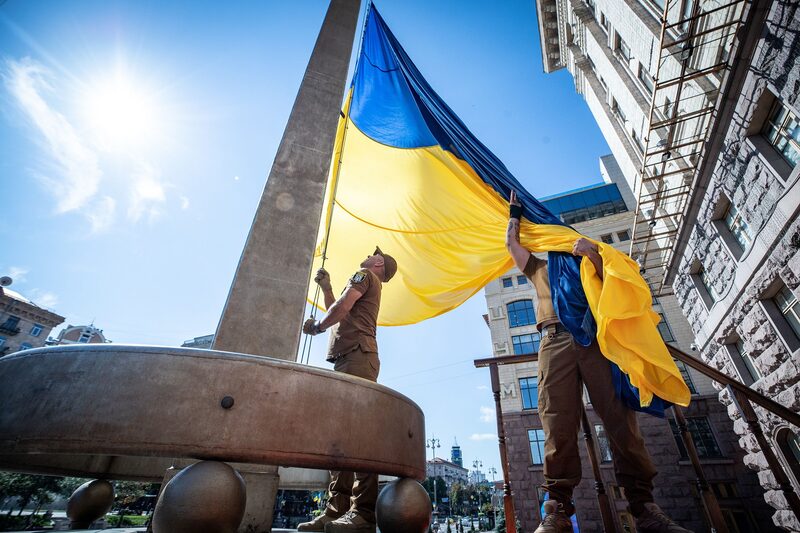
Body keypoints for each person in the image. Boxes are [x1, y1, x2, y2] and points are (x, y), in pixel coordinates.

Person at [505, 191, 693, 533]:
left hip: (593, 341)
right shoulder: (539, 268)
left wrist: (591, 253)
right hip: (553, 341)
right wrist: (514, 211)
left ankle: (645, 508)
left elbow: (616, 289)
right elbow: (512, 245)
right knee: (557, 421)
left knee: (619, 417)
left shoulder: (589, 262)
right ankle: (557, 509)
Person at [297, 247, 398, 533]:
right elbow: (341, 310)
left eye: (372, 253)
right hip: (350, 357)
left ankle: (363, 513)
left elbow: (341, 306)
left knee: (359, 434)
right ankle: (336, 511)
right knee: (341, 437)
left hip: (356, 355)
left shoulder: (364, 274)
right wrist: (327, 287)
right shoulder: (366, 280)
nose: (366, 254)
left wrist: (316, 326)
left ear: (378, 263)